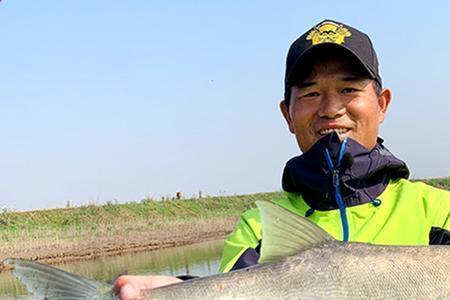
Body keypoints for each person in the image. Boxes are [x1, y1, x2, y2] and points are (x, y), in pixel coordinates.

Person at [115, 19, 450, 299]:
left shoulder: (439, 212)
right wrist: (186, 290)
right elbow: (238, 289)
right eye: (310, 93)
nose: (331, 108)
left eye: (349, 90)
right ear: (287, 115)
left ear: (382, 104)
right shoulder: (259, 228)